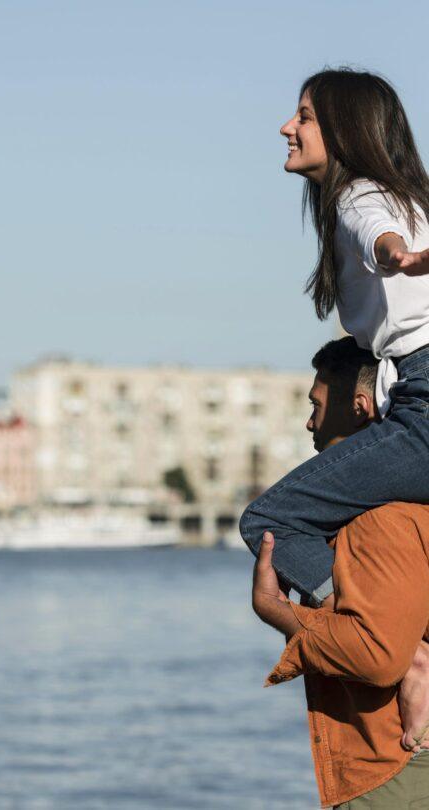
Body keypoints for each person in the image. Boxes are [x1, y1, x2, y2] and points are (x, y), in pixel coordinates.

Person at [240, 68, 429, 608]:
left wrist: (399, 256)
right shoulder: (412, 198)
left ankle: (375, 630)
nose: (286, 128)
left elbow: (378, 235)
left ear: (344, 131)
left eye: (304, 117)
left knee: (271, 519)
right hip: (411, 393)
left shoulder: (357, 197)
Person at [252, 337, 429, 808]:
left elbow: (378, 657)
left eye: (316, 405)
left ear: (359, 407)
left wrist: (277, 612)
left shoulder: (379, 520)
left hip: (394, 766)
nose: (310, 422)